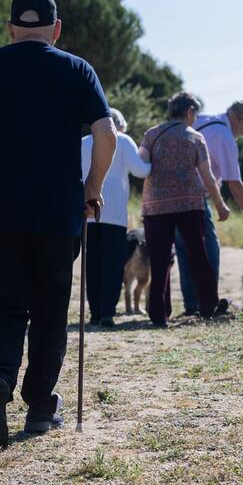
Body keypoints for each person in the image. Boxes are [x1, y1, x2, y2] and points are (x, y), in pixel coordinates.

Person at [0, 0, 117, 450]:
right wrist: (92, 189)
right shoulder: (76, 68)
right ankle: (41, 406)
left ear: (9, 29)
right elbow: (106, 134)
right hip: (57, 214)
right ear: (56, 30)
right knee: (48, 309)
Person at [139, 92, 231, 327]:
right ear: (189, 111)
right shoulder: (195, 137)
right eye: (195, 114)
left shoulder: (152, 134)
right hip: (189, 204)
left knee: (160, 260)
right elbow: (207, 176)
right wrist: (220, 205)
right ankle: (208, 306)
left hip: (155, 204)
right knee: (197, 255)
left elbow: (141, 165)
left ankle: (159, 314)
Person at [174, 101, 243, 315]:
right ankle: (209, 303)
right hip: (196, 197)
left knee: (185, 251)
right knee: (209, 251)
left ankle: (191, 304)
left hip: (171, 194)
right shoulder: (224, 137)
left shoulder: (203, 119)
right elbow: (234, 183)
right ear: (240, 119)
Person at [80, 107, 150, 328]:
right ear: (120, 125)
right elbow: (141, 171)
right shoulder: (123, 139)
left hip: (88, 212)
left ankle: (93, 312)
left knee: (92, 265)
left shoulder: (83, 142)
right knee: (112, 264)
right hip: (115, 215)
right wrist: (150, 158)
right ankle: (108, 312)